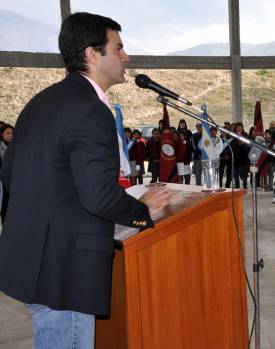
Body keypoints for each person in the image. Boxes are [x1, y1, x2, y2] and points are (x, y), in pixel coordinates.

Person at [0, 12, 170, 349]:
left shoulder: (41, 102)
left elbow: (8, 174)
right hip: (65, 270)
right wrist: (142, 209)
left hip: (34, 261)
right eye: (118, 48)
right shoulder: (89, 109)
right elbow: (99, 196)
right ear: (92, 55)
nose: (127, 57)